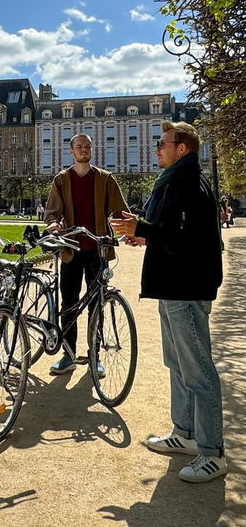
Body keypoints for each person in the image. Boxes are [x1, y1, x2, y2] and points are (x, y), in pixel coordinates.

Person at [109, 121, 226, 483]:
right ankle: (184, 433)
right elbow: (171, 232)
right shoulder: (176, 180)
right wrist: (142, 231)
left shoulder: (188, 182)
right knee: (177, 363)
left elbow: (187, 240)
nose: (156, 148)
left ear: (182, 149)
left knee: (198, 371)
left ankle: (212, 452)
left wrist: (141, 230)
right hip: (172, 285)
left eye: (163, 143)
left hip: (186, 287)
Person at [44, 133, 128, 376]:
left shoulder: (104, 179)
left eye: (87, 146)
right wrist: (52, 224)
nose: (84, 150)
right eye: (79, 147)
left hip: (97, 251)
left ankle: (94, 355)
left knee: (97, 305)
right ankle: (68, 355)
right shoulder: (62, 179)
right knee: (68, 304)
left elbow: (120, 211)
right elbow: (52, 212)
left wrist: (128, 231)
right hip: (71, 250)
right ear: (71, 152)